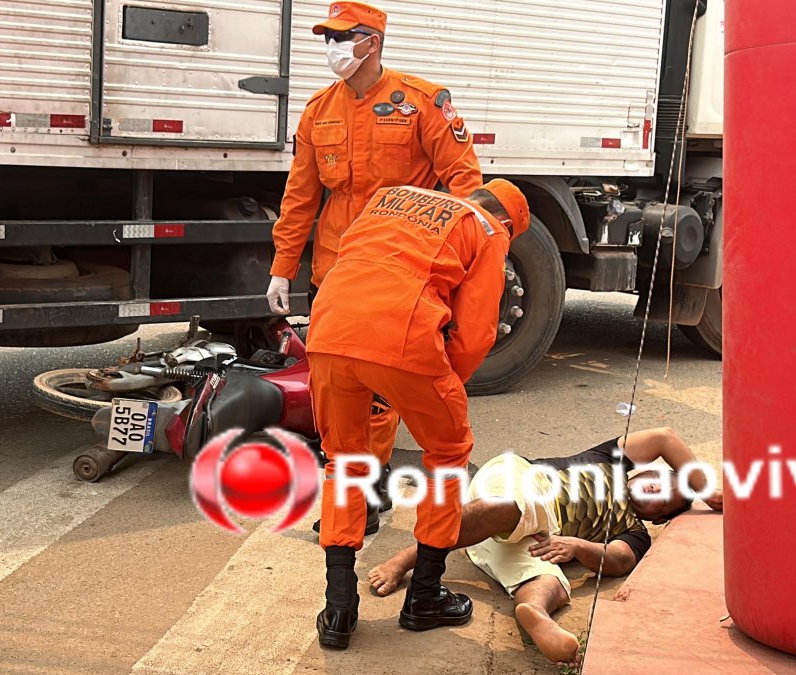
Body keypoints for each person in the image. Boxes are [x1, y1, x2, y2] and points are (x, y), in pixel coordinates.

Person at [265, 1, 485, 524]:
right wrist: (282, 265)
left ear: (373, 42)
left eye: (343, 37)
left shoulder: (424, 103)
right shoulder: (319, 110)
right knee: (335, 390)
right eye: (327, 38)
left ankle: (361, 497)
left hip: (399, 272)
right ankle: (356, 488)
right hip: (336, 272)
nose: (333, 48)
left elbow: (466, 187)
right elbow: (300, 197)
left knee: (381, 393)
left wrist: (460, 269)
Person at [305, 179, 531, 649]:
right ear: (508, 223)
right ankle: (424, 598)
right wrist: (436, 384)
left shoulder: (391, 197)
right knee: (447, 455)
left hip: (328, 332)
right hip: (404, 339)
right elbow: (475, 334)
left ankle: (339, 608)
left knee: (344, 460)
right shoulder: (489, 230)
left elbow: (348, 258)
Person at [366, 427, 725, 666]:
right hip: (515, 482)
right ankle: (409, 557)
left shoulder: (635, 531)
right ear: (645, 470)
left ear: (660, 519)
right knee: (523, 506)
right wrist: (704, 485)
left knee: (549, 580)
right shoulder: (610, 460)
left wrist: (579, 547)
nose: (657, 492)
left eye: (665, 502)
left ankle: (535, 616)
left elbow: (617, 560)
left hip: (514, 540)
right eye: (661, 481)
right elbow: (664, 437)